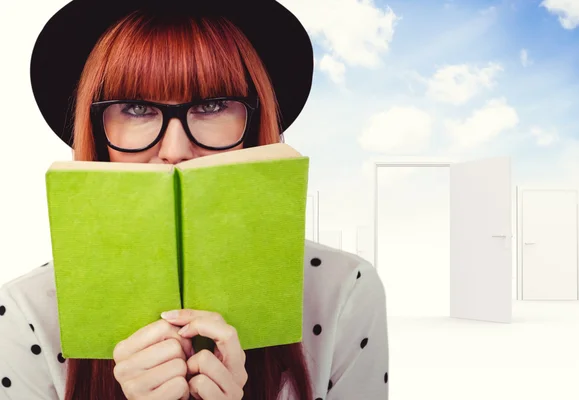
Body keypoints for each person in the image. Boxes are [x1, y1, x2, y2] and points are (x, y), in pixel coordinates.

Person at [0, 0, 389, 399]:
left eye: (212, 105)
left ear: (255, 126)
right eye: (135, 108)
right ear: (98, 135)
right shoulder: (25, 313)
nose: (174, 149)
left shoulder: (344, 292)